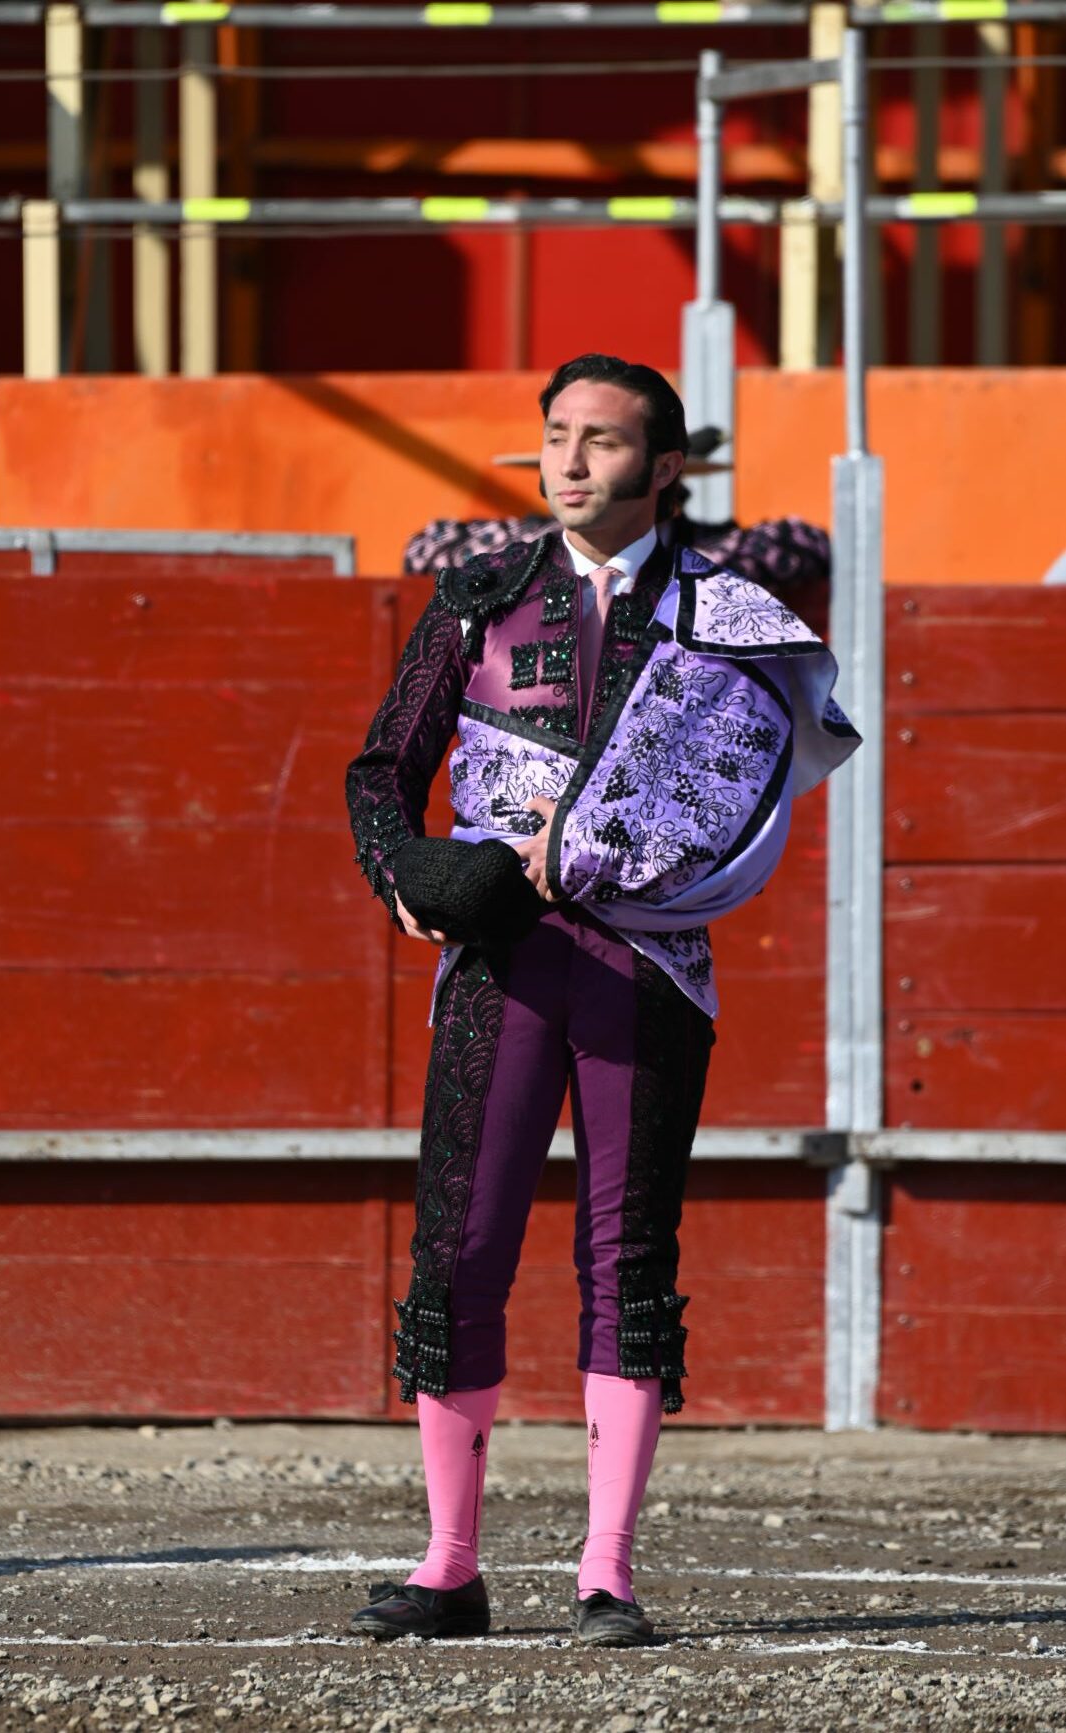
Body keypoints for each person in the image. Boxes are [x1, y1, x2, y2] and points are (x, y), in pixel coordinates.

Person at [344, 354, 860, 1647]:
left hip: (647, 964)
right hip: (500, 961)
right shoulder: (478, 595)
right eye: (556, 435)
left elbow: (735, 793)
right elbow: (382, 769)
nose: (569, 462)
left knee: (626, 1259)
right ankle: (448, 1566)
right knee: (459, 1250)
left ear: (665, 467)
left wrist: (584, 845)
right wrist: (409, 876)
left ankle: (606, 1573)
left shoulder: (726, 614)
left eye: (603, 441)